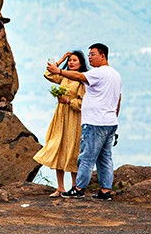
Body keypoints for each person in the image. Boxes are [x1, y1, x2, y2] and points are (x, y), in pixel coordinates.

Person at [46, 43, 122, 200]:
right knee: (104, 158)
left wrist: (59, 70)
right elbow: (118, 99)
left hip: (95, 122)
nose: (90, 57)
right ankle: (105, 191)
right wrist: (114, 116)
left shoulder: (99, 73)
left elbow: (80, 77)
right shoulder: (116, 75)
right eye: (89, 55)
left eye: (93, 54)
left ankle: (78, 188)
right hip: (109, 121)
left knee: (86, 157)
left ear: (103, 56)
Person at [34, 51, 88, 197]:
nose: (71, 63)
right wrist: (61, 60)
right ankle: (60, 187)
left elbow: (84, 103)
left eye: (74, 60)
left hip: (74, 118)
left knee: (73, 149)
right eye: (69, 60)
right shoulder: (63, 77)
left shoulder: (82, 81)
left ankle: (75, 187)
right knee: (58, 147)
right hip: (60, 116)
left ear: (81, 64)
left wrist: (69, 101)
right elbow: (48, 74)